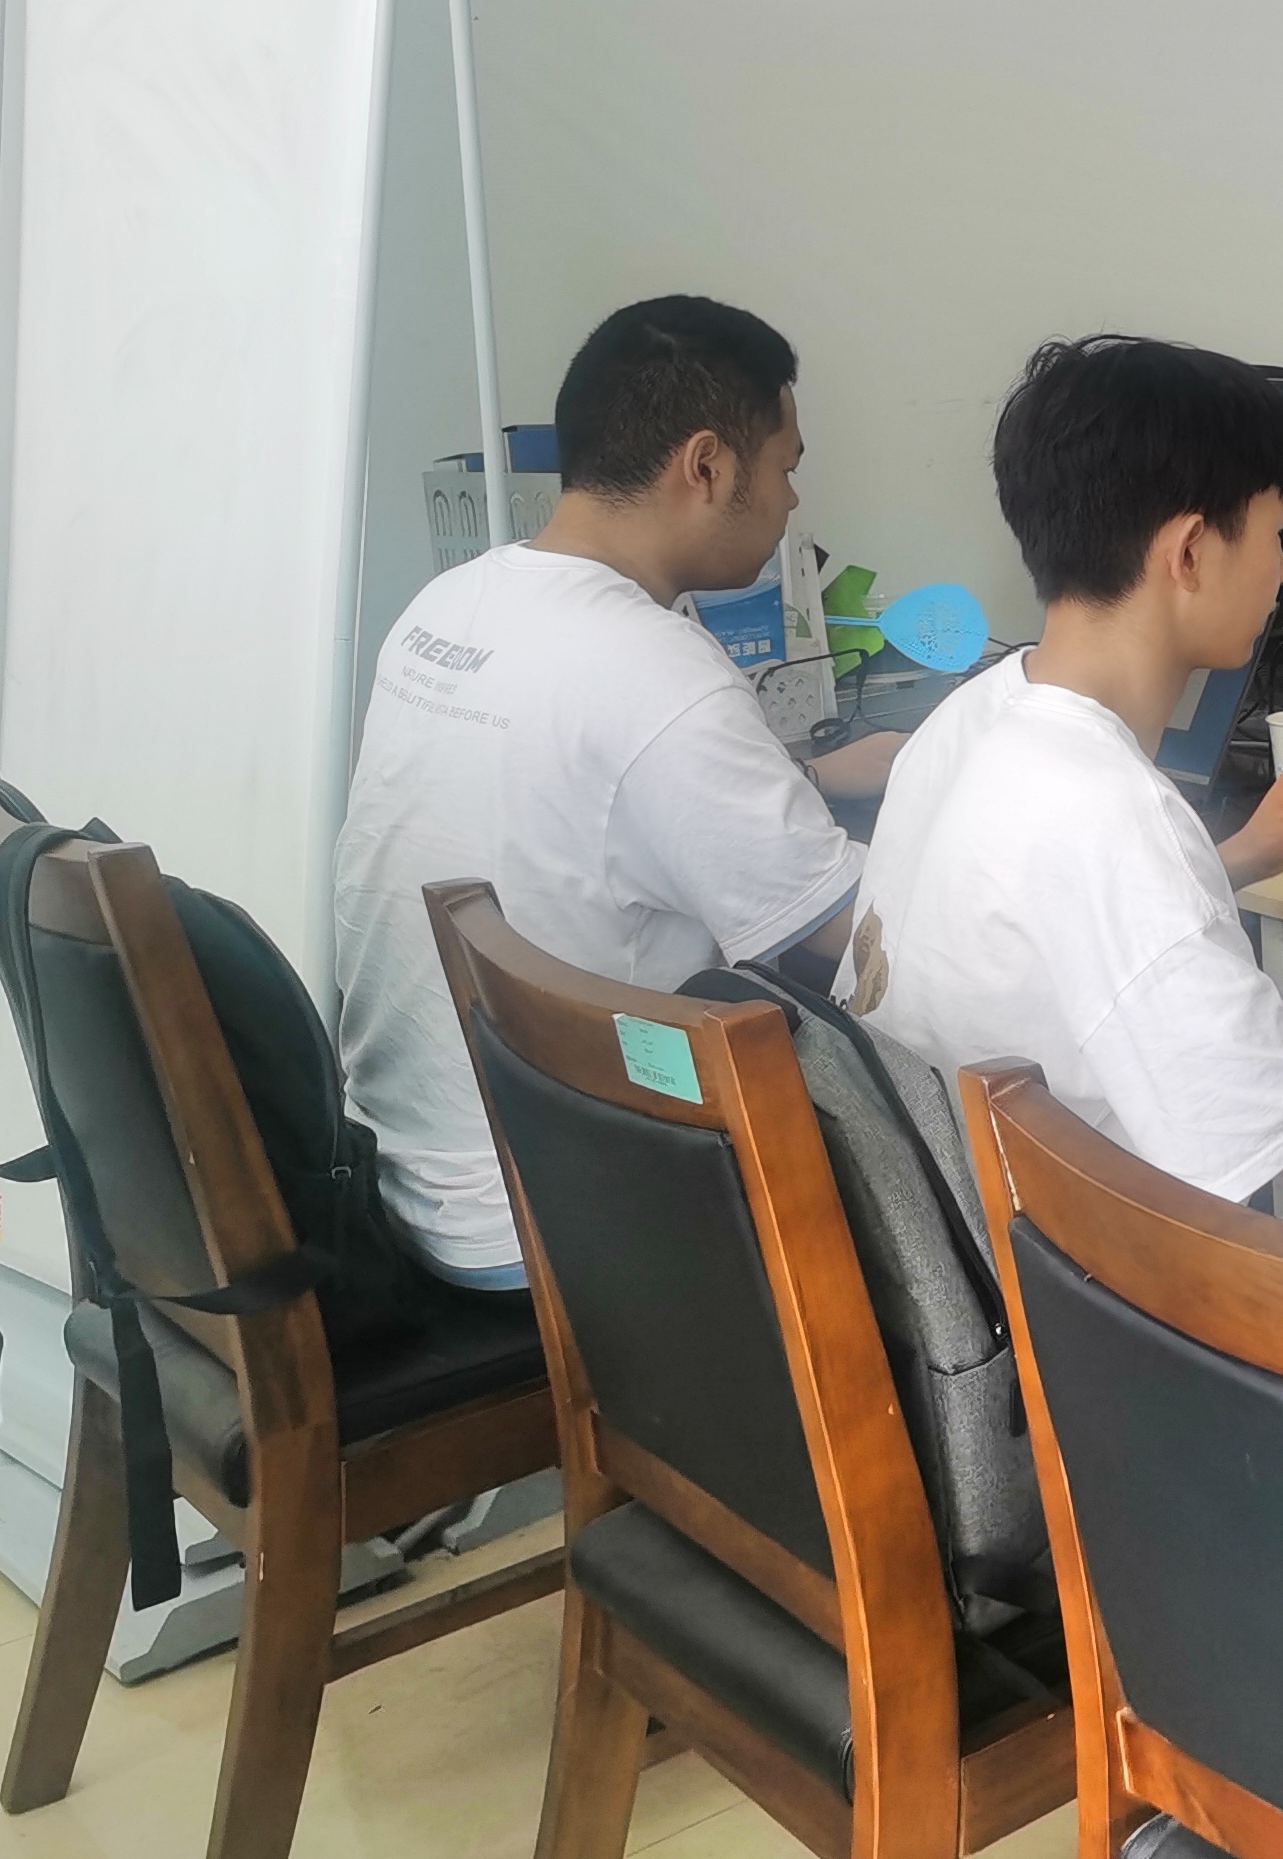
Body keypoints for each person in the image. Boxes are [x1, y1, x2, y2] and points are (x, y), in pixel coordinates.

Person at [335, 295, 905, 1290]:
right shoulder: (652, 668)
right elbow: (849, 928)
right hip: (560, 1221)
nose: (790, 503)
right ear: (706, 466)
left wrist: (804, 776)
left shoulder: (452, 603)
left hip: (409, 1172)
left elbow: (586, 797)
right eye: (786, 467)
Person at [841, 334, 1283, 1201]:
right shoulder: (1108, 813)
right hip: (1075, 1265)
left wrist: (1230, 862)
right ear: (1189, 553)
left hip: (948, 1227)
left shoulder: (971, 715)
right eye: (1275, 535)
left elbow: (1046, 931)